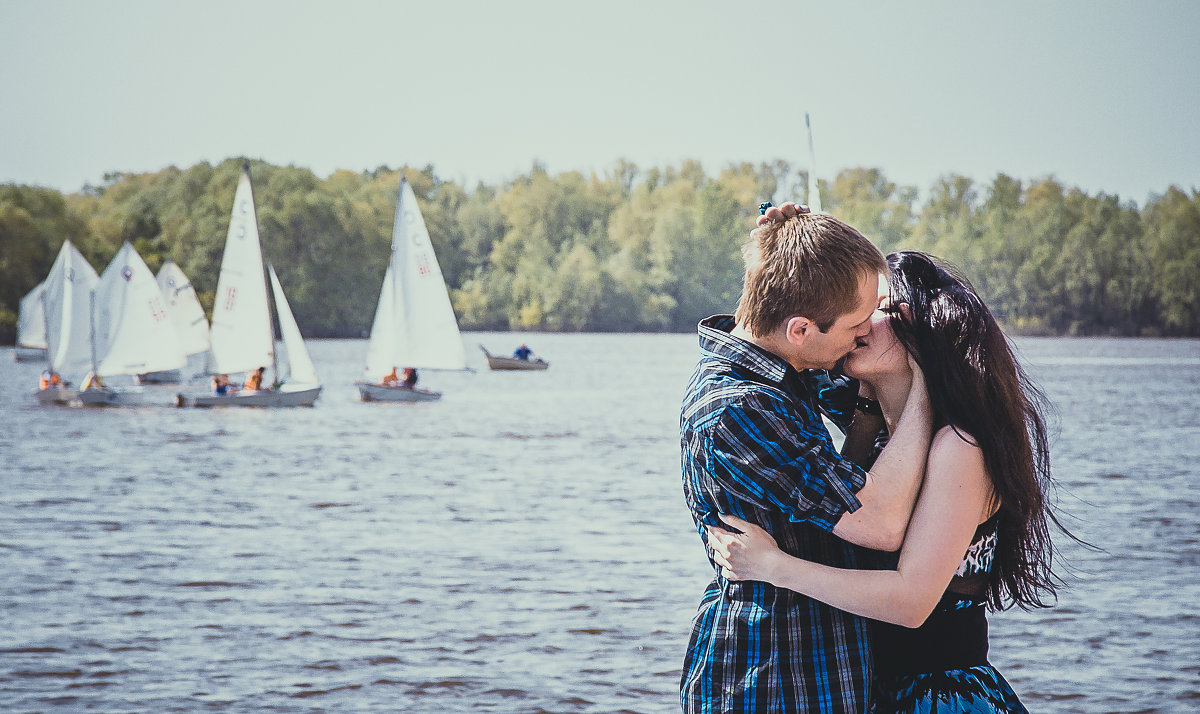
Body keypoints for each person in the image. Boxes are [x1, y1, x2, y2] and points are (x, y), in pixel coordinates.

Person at [707, 250, 1066, 713]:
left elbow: (911, 601)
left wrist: (774, 567)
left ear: (924, 334)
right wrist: (773, 246)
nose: (860, 323)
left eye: (882, 310)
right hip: (872, 692)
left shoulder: (959, 447)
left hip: (938, 698)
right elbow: (782, 332)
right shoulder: (880, 438)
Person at [679, 204, 936, 713]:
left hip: (821, 662)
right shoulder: (740, 407)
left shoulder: (788, 362)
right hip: (772, 676)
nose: (865, 335)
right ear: (800, 330)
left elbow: (874, 395)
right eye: (856, 326)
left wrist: (788, 241)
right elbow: (880, 522)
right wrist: (930, 385)